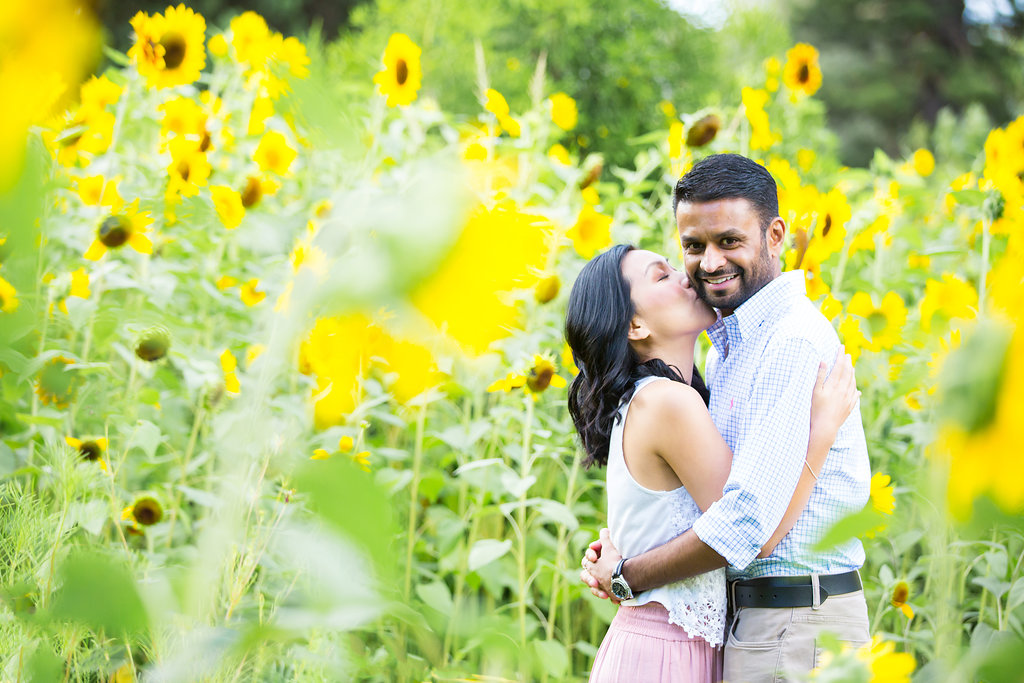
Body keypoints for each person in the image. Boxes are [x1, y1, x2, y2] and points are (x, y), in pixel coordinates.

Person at [580, 153, 872, 683]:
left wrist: (628, 572)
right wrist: (627, 542)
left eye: (729, 241)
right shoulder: (721, 354)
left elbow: (747, 528)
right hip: (753, 625)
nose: (707, 263)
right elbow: (718, 511)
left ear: (775, 235)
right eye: (692, 247)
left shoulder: (789, 341)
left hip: (796, 621)